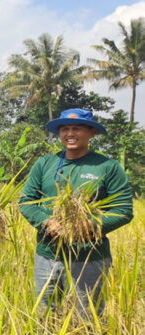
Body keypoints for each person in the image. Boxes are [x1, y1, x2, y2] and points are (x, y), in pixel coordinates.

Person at [20, 108, 133, 316]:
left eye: (76, 128)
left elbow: (124, 210)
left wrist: (90, 225)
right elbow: (26, 202)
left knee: (88, 315)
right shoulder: (45, 164)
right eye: (65, 129)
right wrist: (47, 223)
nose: (69, 133)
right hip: (48, 254)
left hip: (90, 255)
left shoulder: (107, 166)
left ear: (91, 133)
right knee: (45, 312)